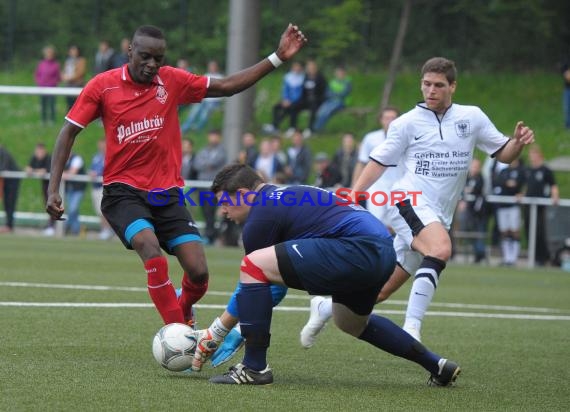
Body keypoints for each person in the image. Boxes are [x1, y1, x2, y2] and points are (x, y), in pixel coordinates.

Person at [46, 24, 307, 326]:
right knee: (149, 246)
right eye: (145, 56)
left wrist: (277, 57)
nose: (152, 65)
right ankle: (178, 331)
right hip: (123, 191)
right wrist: (54, 188)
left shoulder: (171, 81)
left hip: (166, 193)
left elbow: (228, 85)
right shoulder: (102, 86)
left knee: (199, 272)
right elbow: (68, 132)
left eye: (158, 59)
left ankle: (183, 310)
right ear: (129, 51)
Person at [300, 57, 535, 344]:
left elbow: (505, 155)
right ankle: (412, 329)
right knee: (440, 248)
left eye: (438, 85)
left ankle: (324, 306)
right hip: (406, 200)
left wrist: (518, 142)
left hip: (437, 215)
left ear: (453, 86)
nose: (431, 90)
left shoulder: (471, 117)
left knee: (382, 290)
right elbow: (378, 161)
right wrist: (354, 194)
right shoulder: (406, 123)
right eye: (426, 84)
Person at [189, 163, 461, 387]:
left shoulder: (261, 214)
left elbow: (263, 280)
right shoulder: (287, 193)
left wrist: (217, 331)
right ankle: (436, 364)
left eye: (224, 203)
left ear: (244, 193)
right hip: (384, 252)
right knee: (351, 323)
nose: (222, 212)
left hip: (356, 248)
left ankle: (254, 368)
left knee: (252, 265)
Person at [524, 145, 559, 266]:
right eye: (531, 155)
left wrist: (555, 197)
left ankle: (542, 257)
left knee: (540, 231)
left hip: (541, 206)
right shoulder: (528, 170)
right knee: (528, 229)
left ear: (539, 156)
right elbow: (525, 186)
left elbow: (553, 185)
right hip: (528, 205)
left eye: (534, 154)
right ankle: (532, 256)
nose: (532, 157)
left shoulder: (546, 170)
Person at [194, 129, 228, 245]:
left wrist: (207, 164)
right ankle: (209, 234)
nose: (213, 138)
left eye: (215, 136)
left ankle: (211, 235)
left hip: (214, 187)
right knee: (205, 211)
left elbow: (215, 163)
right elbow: (197, 164)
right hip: (202, 186)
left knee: (212, 211)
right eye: (211, 135)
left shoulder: (222, 151)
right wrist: (207, 164)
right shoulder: (203, 150)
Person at [455, 158, 488, 263]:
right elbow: (462, 190)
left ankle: (480, 254)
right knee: (467, 232)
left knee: (478, 232)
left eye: (476, 166)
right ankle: (475, 254)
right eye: (473, 166)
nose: (474, 169)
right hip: (468, 213)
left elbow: (475, 191)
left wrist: (468, 193)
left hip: (478, 212)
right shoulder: (466, 178)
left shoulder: (480, 179)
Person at [495, 158, 526, 266]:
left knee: (514, 230)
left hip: (513, 205)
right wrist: (507, 183)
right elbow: (498, 181)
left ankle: (514, 258)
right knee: (504, 232)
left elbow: (522, 185)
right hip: (502, 205)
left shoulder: (521, 171)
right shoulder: (504, 171)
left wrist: (521, 192)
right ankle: (507, 258)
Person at [180, 60, 224, 133]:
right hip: (204, 99)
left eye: (213, 66)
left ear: (216, 67)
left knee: (204, 113)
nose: (212, 68)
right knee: (194, 111)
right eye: (211, 66)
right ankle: (184, 128)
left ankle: (197, 128)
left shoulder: (220, 77)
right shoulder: (206, 75)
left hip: (214, 101)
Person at [262, 61, 305, 135]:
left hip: (297, 101)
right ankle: (275, 126)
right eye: (295, 67)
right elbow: (285, 90)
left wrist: (291, 101)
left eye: (298, 67)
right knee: (276, 107)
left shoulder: (303, 78)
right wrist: (285, 99)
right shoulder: (288, 77)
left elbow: (300, 93)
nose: (296, 69)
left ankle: (291, 127)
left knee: (290, 108)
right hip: (287, 100)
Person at [288, 59, 327, 138]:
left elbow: (323, 93)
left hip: (316, 101)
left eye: (312, 67)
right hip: (306, 100)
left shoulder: (320, 78)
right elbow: (303, 91)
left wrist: (318, 100)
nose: (311, 69)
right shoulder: (306, 77)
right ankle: (292, 127)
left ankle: (309, 129)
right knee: (294, 106)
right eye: (309, 67)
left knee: (313, 109)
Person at [25, 142, 55, 236]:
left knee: (53, 205)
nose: (38, 153)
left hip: (53, 185)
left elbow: (44, 171)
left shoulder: (49, 158)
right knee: (47, 204)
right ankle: (50, 226)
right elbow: (29, 167)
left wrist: (35, 171)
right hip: (45, 185)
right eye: (37, 151)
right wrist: (31, 169)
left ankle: (52, 227)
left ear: (44, 150)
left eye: (39, 151)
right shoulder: (35, 157)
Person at [312, 66, 352, 133]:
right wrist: (336, 94)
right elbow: (327, 93)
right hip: (330, 101)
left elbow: (344, 94)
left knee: (327, 111)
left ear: (344, 73)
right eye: (338, 73)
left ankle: (317, 129)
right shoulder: (332, 82)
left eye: (341, 73)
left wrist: (334, 94)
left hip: (341, 102)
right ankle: (316, 128)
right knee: (321, 110)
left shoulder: (347, 82)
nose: (339, 75)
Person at [89, 139, 113, 240]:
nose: (101, 147)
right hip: (95, 187)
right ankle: (104, 230)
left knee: (103, 210)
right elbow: (92, 169)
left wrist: (98, 174)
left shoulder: (109, 156)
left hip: (104, 187)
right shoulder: (96, 157)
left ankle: (107, 230)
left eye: (103, 145)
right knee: (98, 211)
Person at [34, 45, 61, 126]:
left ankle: (52, 120)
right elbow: (37, 74)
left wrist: (53, 82)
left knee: (52, 104)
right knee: (43, 104)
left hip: (52, 88)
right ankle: (43, 120)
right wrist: (39, 82)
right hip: (42, 87)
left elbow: (58, 76)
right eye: (47, 53)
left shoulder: (56, 64)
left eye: (50, 53)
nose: (49, 55)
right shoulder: (41, 64)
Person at [62, 152, 87, 236]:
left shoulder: (77, 159)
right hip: (70, 188)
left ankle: (66, 227)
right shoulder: (65, 159)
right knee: (73, 210)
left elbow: (73, 172)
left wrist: (64, 173)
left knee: (72, 208)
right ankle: (76, 230)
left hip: (78, 189)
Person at [0, 144, 20, 233]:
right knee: (6, 202)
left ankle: (9, 225)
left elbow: (3, 167)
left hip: (12, 180)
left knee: (10, 202)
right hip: (7, 180)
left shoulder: (3, 152)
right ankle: (8, 224)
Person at [61, 45, 87, 110]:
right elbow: (64, 70)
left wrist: (70, 78)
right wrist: (63, 76)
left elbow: (81, 72)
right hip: (68, 84)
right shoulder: (68, 61)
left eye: (74, 50)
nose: (73, 52)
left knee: (77, 104)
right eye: (71, 50)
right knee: (69, 104)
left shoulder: (81, 60)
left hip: (77, 84)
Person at [562, 57, 570, 129]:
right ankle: (568, 127)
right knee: (567, 109)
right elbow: (567, 77)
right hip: (568, 89)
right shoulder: (566, 61)